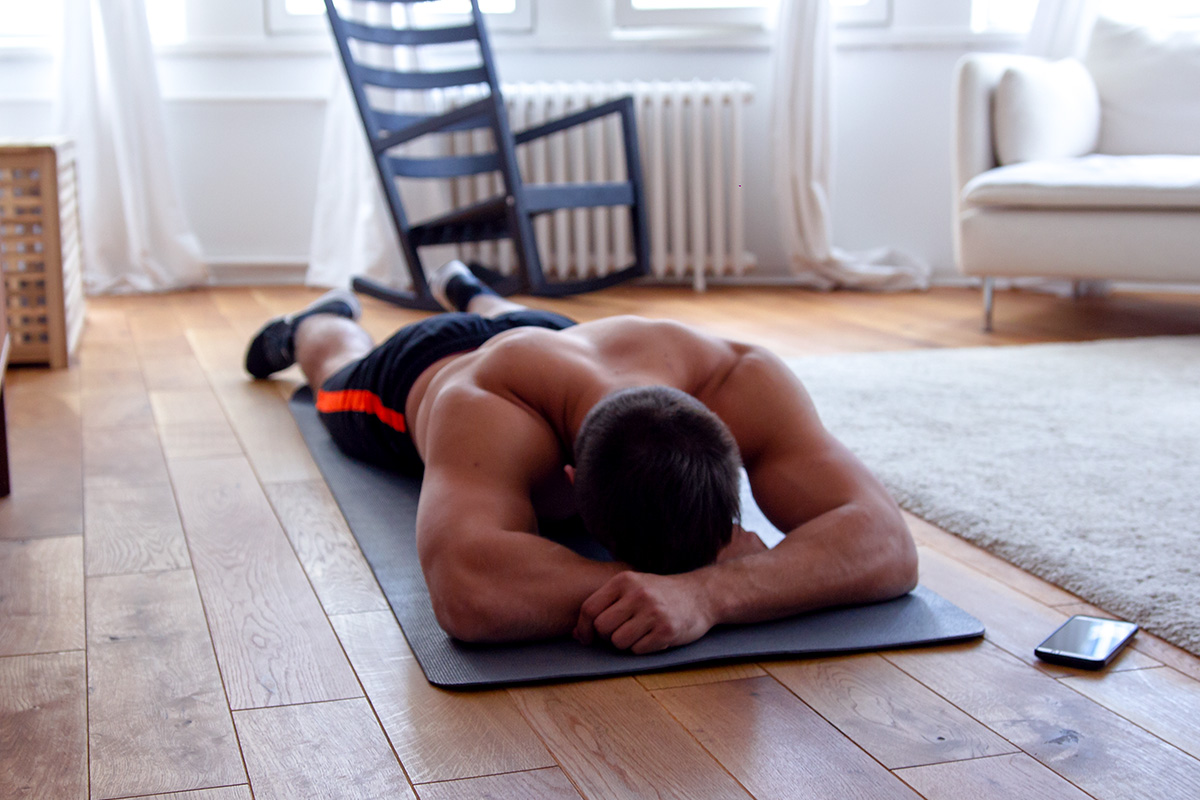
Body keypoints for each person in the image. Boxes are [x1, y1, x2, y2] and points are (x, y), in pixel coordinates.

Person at [245, 261, 918, 653]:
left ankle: (477, 289)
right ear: (568, 481)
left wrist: (711, 592)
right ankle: (320, 316)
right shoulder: (482, 413)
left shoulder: (739, 376)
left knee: (533, 328)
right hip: (427, 366)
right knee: (336, 370)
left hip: (556, 339)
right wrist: (666, 584)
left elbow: (886, 540)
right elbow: (468, 587)